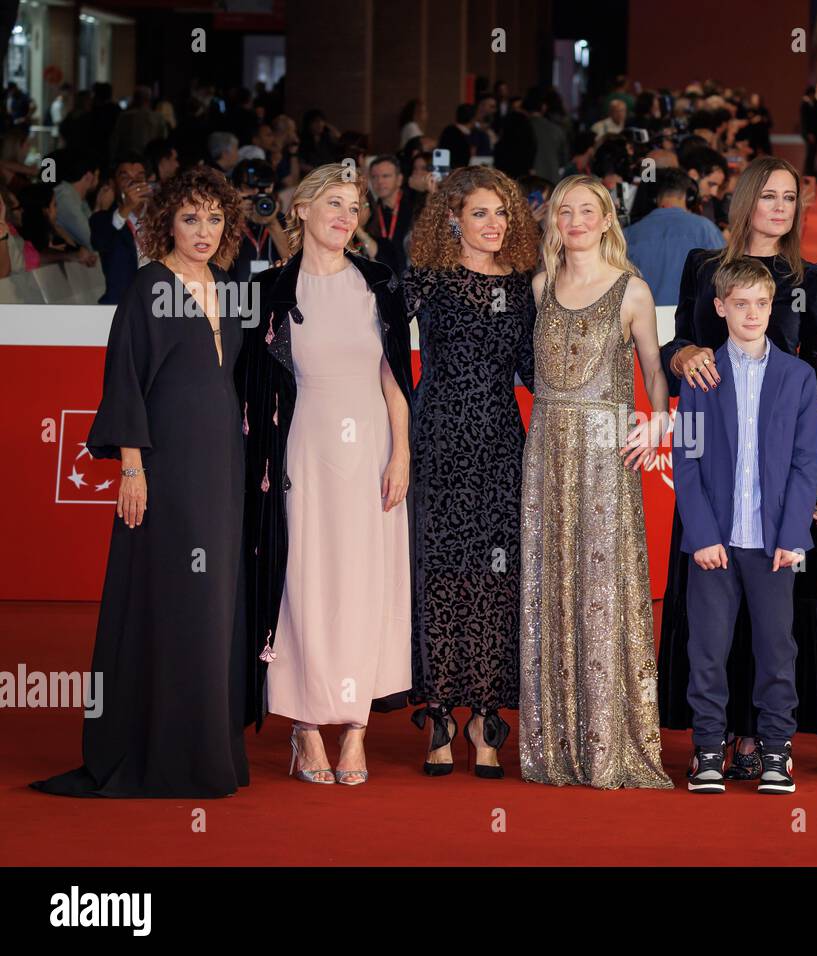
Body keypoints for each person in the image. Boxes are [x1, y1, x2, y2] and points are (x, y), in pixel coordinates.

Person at [31, 167, 249, 797]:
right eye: (190, 219)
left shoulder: (230, 287)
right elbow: (125, 379)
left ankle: (206, 750)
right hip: (166, 464)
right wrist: (133, 467)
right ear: (166, 224)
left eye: (214, 219)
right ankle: (158, 751)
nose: (203, 232)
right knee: (170, 597)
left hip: (222, 467)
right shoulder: (150, 287)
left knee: (214, 606)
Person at [658, 156, 817, 781]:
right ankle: (715, 741)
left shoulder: (809, 278)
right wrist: (686, 354)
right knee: (713, 622)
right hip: (715, 460)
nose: (780, 207)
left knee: (774, 624)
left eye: (790, 198)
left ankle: (765, 742)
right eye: (768, 195)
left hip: (779, 470)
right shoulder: (703, 267)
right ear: (744, 201)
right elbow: (676, 340)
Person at [237, 163, 415, 786]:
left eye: (355, 206)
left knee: (366, 583)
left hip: (370, 450)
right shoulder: (269, 291)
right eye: (334, 203)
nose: (347, 215)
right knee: (304, 581)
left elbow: (394, 376)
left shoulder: (380, 283)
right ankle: (307, 727)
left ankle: (357, 726)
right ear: (303, 211)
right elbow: (252, 387)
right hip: (301, 451)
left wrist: (402, 453)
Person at [518, 174, 673, 790]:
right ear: (553, 220)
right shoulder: (537, 287)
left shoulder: (632, 290)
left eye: (588, 210)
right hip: (548, 448)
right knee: (551, 583)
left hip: (607, 454)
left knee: (603, 585)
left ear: (608, 219)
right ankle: (554, 741)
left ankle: (611, 740)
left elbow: (655, 369)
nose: (576, 220)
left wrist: (658, 423)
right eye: (565, 210)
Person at [404, 167, 540, 778]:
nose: (494, 225)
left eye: (503, 214)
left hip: (499, 446)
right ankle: (438, 717)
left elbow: (539, 374)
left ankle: (486, 720)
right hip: (434, 440)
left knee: (494, 579)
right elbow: (375, 351)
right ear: (453, 218)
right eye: (481, 212)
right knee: (438, 573)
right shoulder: (423, 282)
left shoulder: (522, 288)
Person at [675, 257, 817, 795]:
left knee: (776, 649)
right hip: (714, 541)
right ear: (720, 308)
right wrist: (702, 534)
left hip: (773, 544)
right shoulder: (702, 374)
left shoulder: (797, 376)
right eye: (741, 304)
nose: (753, 313)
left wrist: (792, 535)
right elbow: (686, 460)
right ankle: (708, 748)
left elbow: (808, 462)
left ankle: (777, 750)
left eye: (762, 303)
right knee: (708, 650)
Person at [624, 167, 723, 306]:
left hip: (644, 321)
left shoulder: (629, 234)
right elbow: (724, 278)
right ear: (688, 197)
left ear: (654, 198)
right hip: (692, 321)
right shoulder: (705, 229)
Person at [90, 155, 151, 305]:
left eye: (139, 177)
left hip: (159, 303)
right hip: (121, 306)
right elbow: (101, 242)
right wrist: (126, 207)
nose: (134, 183)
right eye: (125, 177)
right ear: (113, 184)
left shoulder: (160, 217)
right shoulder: (103, 219)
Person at [368, 154, 415, 277]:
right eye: (374, 177)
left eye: (385, 176)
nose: (379, 181)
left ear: (399, 179)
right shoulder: (369, 213)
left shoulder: (416, 208)